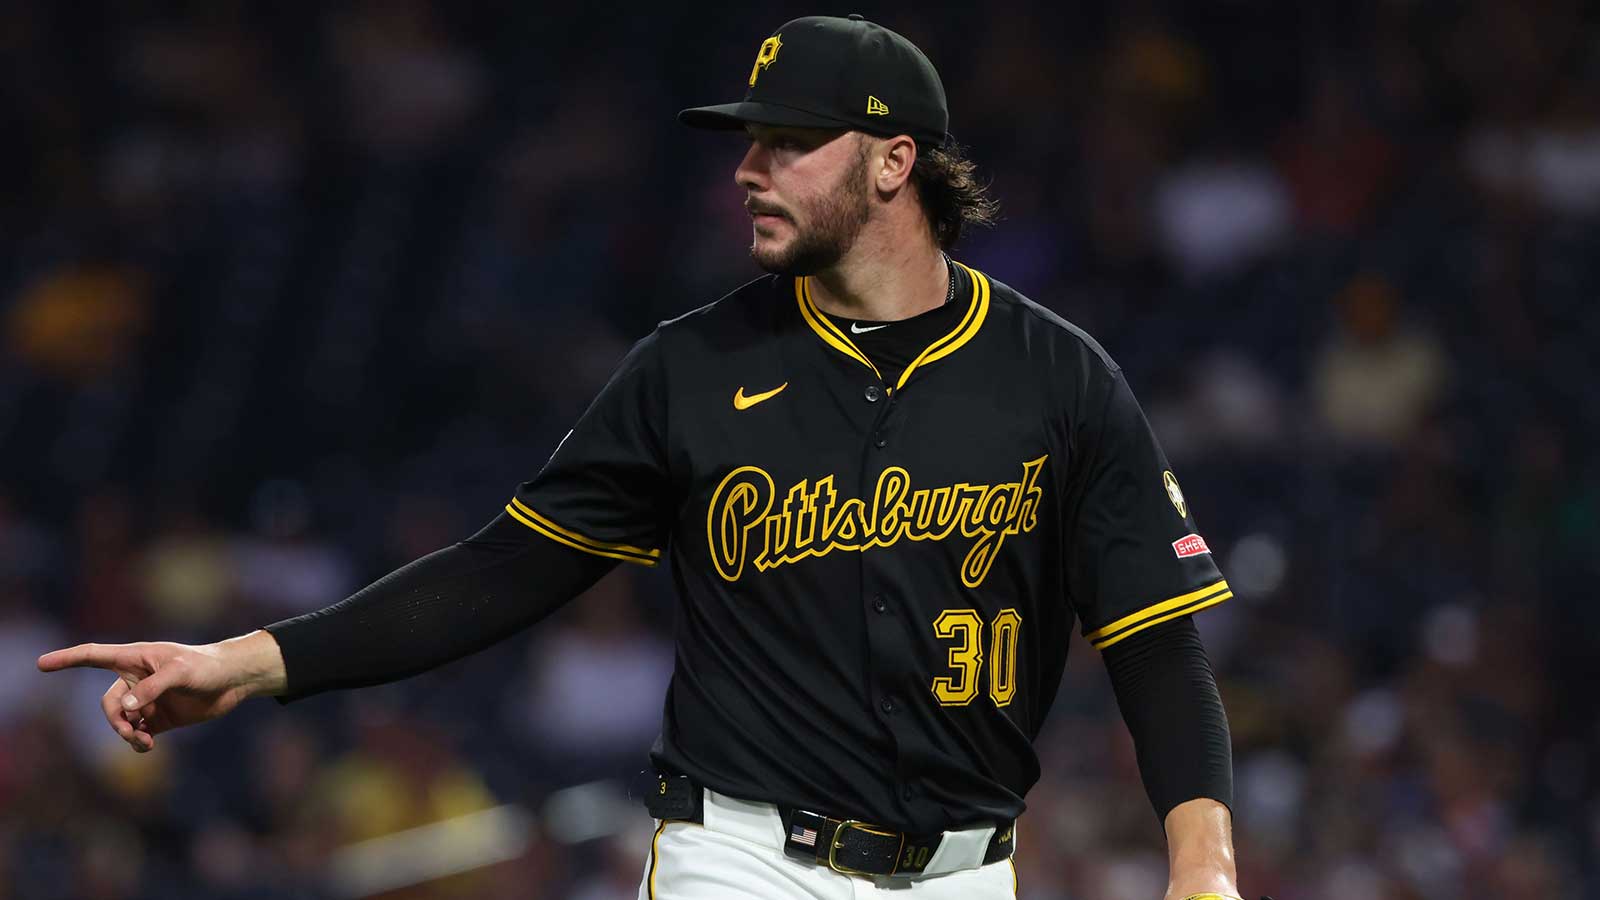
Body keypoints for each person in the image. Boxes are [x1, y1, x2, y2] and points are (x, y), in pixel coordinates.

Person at [40, 15, 1262, 900]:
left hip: (965, 871)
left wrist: (1201, 861)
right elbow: (497, 574)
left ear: (896, 161)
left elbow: (1156, 639)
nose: (747, 167)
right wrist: (244, 664)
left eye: (789, 141)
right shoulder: (689, 368)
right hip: (737, 859)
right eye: (748, 141)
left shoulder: (1057, 377)